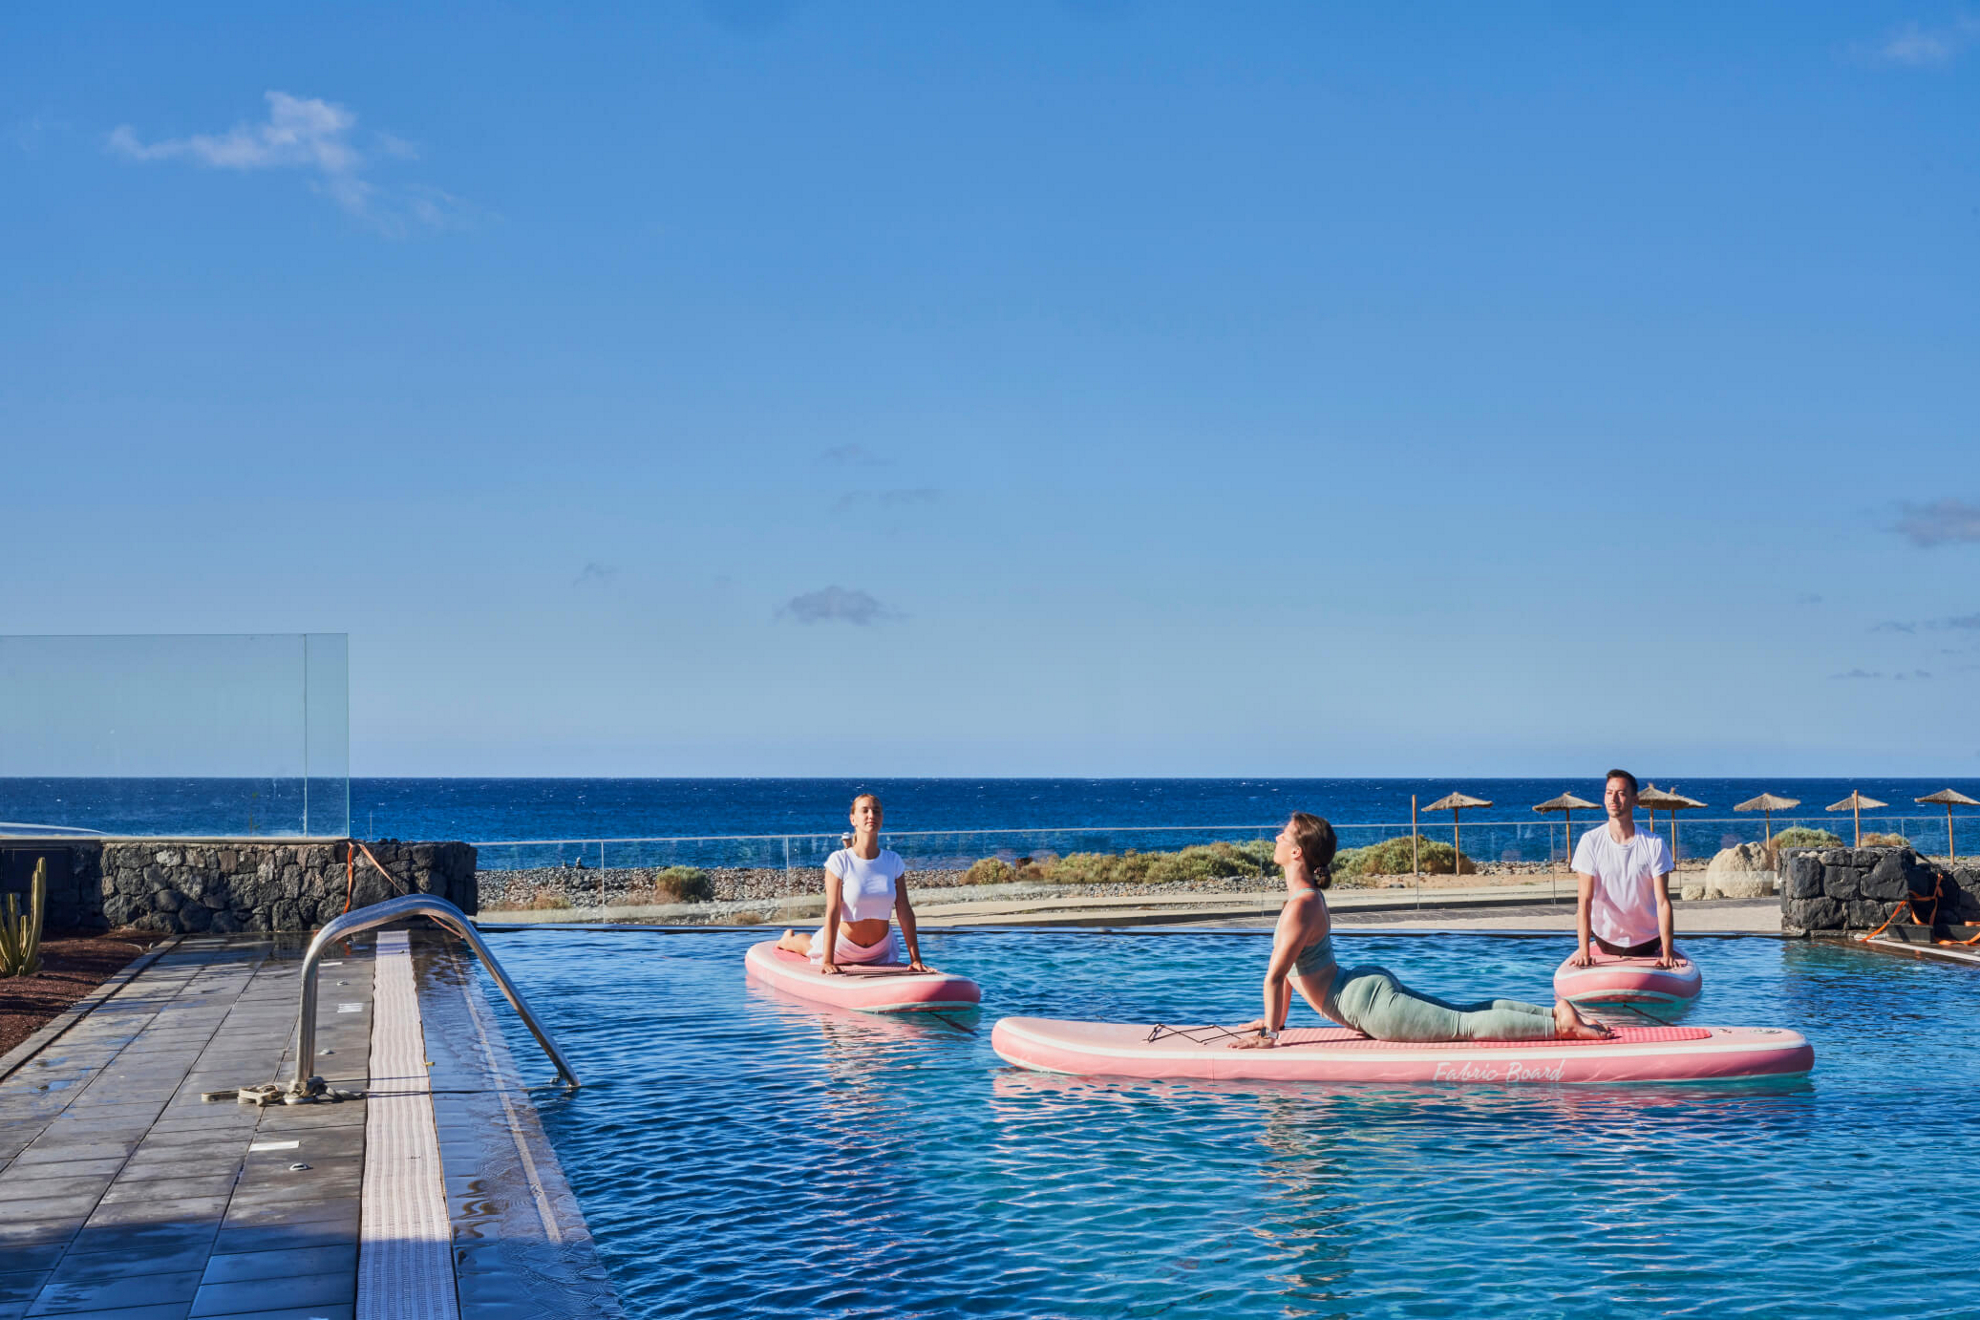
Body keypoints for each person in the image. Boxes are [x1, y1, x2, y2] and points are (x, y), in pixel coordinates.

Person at [1231, 812, 1609, 1048]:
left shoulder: (1300, 905)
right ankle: (1555, 1014)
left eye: (1284, 834)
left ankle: (1559, 1027)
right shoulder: (1305, 900)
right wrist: (1272, 1021)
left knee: (1464, 1025)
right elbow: (1286, 979)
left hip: (1367, 1004)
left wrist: (1269, 1038)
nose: (1277, 838)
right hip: (1362, 989)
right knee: (1462, 1014)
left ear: (1297, 852)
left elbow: (1275, 976)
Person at [776, 793, 932, 974]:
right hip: (841, 947)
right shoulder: (840, 860)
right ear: (853, 819)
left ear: (882, 818)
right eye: (864, 811)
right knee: (809, 947)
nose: (871, 815)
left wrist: (916, 959)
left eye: (876, 811)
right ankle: (787, 939)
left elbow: (904, 910)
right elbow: (833, 910)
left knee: (814, 943)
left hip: (880, 951)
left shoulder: (893, 861)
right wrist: (827, 960)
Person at [1569, 769, 1682, 970]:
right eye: (1608, 792)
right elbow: (1584, 902)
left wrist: (1667, 954)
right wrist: (1584, 953)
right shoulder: (1590, 842)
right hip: (1607, 941)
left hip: (1648, 942)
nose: (1613, 798)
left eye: (1620, 793)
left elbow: (1663, 902)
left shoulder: (1654, 843)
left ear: (1634, 800)